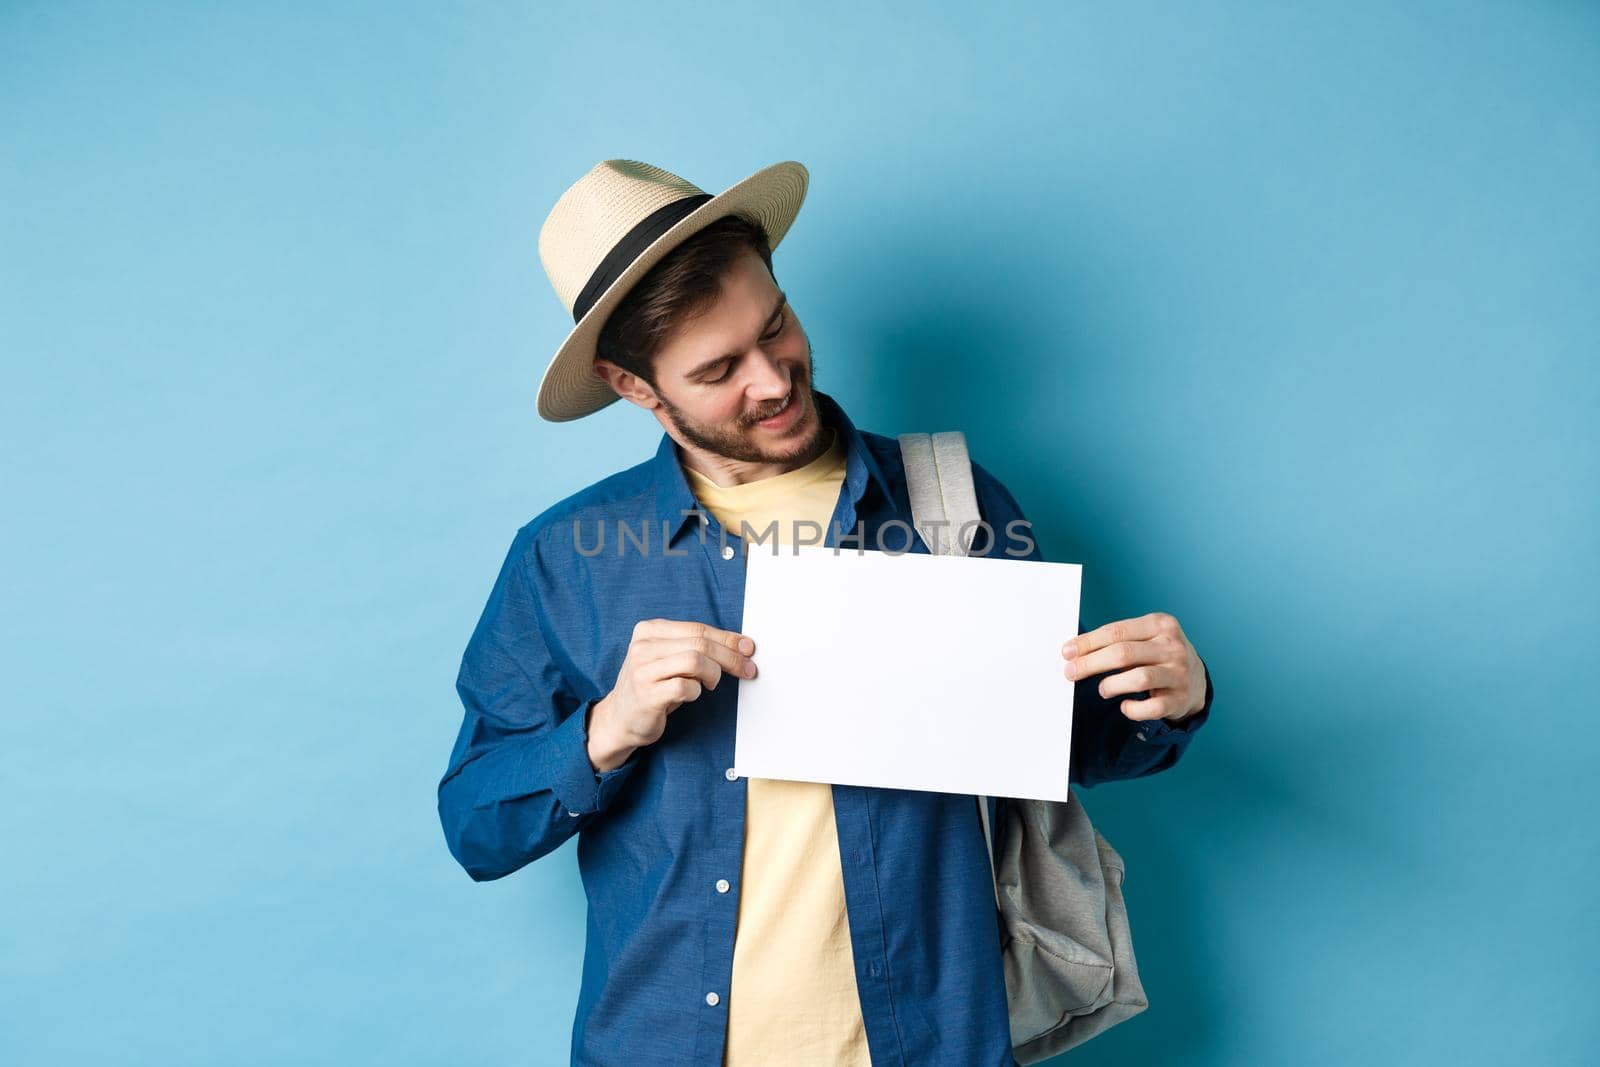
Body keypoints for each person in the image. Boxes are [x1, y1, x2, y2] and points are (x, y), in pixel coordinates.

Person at [436, 159, 1214, 1066]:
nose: (773, 380)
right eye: (720, 369)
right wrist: (608, 728)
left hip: (926, 1044)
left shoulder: (950, 502)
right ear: (634, 386)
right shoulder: (566, 556)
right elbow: (476, 827)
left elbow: (1061, 745)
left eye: (777, 328)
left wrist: (1169, 697)